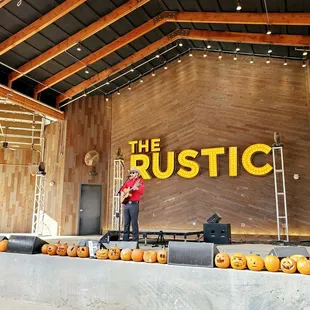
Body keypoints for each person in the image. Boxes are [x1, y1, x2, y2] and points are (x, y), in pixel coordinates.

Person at [120, 167, 145, 241]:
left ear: (137, 174)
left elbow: (142, 191)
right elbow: (122, 189)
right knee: (126, 223)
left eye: (133, 172)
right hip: (127, 203)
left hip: (134, 204)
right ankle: (125, 240)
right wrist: (123, 192)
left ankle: (135, 241)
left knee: (134, 223)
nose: (132, 174)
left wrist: (136, 188)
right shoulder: (128, 181)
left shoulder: (140, 181)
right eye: (131, 173)